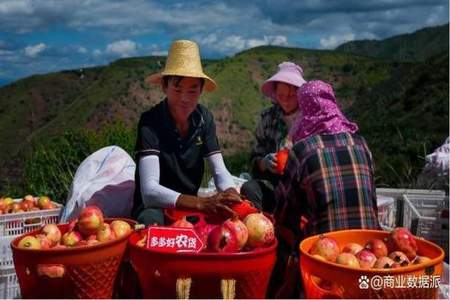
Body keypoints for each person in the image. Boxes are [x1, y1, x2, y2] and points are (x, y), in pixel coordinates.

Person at [272, 80, 380, 298]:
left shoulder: (303, 150)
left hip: (326, 257)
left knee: (281, 238)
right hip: (371, 248)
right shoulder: (361, 144)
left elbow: (284, 214)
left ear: (305, 111)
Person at [132, 40, 241, 225]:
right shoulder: (150, 122)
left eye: (193, 90)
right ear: (164, 87)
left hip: (189, 208)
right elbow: (149, 192)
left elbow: (219, 171)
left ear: (201, 90)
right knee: (150, 222)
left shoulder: (204, 118)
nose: (185, 98)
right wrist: (200, 203)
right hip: (156, 207)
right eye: (177, 89)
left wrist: (231, 192)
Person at [240, 62, 306, 212]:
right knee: (250, 188)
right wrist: (265, 162)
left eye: (292, 95)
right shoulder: (268, 117)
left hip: (304, 187)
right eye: (281, 95)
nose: (286, 101)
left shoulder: (310, 117)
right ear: (275, 94)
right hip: (276, 186)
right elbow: (254, 158)